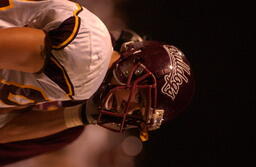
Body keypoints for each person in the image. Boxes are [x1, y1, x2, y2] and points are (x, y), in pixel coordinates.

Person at [0, 0, 195, 166]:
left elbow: (3, 132)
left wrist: (78, 116)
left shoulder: (73, 121)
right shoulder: (90, 58)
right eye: (139, 97)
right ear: (133, 67)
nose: (127, 111)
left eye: (137, 113)